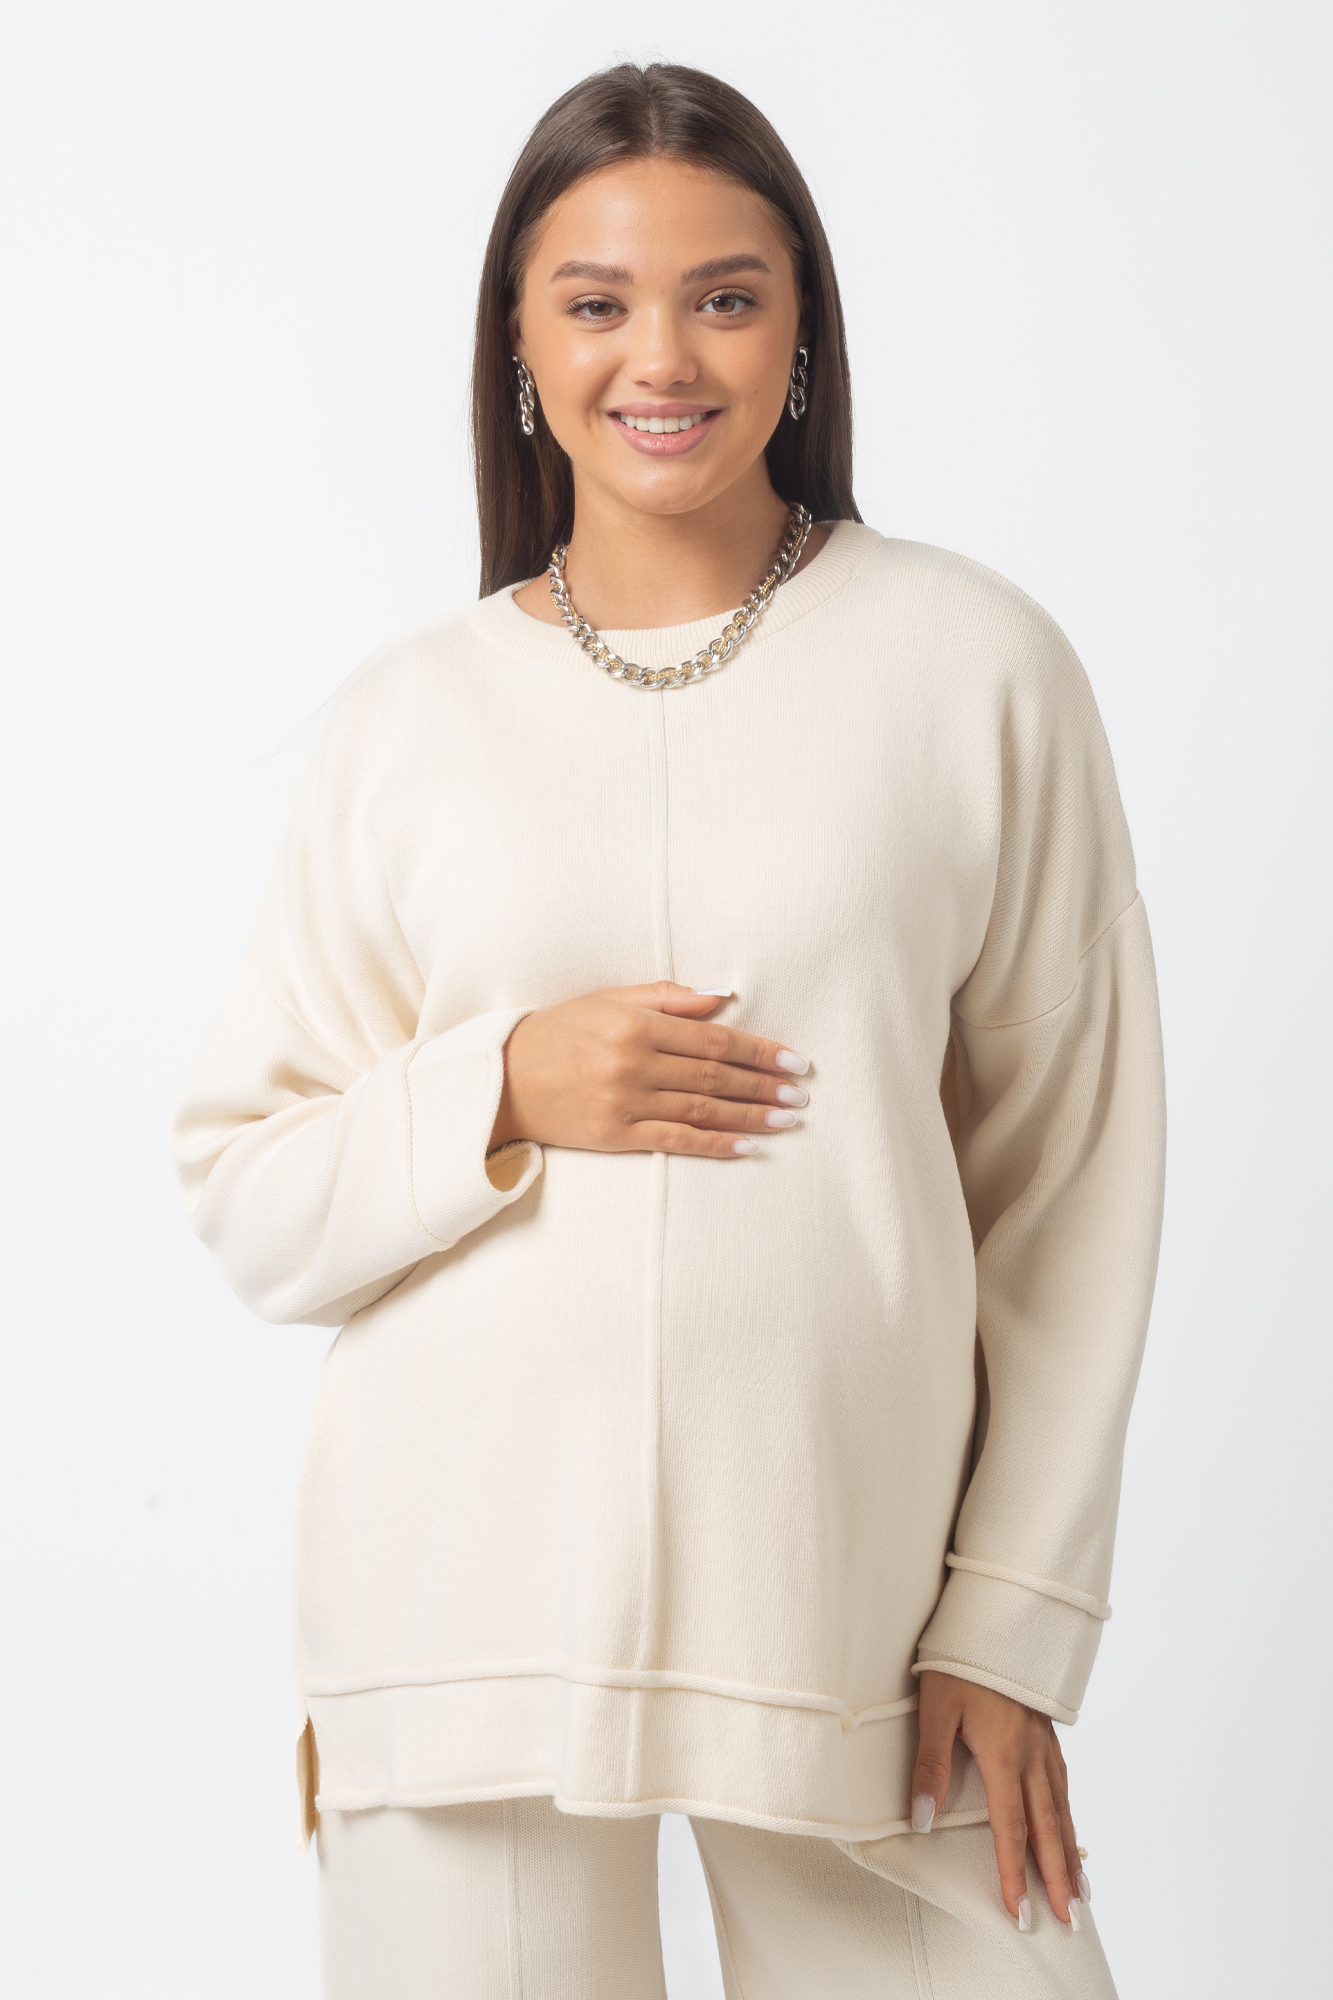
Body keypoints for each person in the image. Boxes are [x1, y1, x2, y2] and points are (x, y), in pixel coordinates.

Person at [172, 60, 1166, 2000]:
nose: (662, 357)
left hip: (851, 1604)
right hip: (460, 1614)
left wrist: (1009, 1617)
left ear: (801, 333)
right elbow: (249, 1188)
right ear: (520, 344)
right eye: (595, 301)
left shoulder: (973, 667)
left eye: (724, 296)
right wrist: (502, 1085)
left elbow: (1070, 1177)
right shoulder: (406, 722)